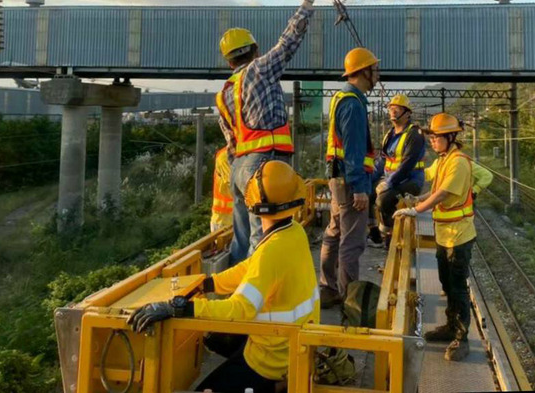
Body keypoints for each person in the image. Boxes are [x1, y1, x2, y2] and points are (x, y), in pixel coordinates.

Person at [128, 161, 319, 393]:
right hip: (294, 344)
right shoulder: (293, 232)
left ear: (256, 203)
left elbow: (240, 309)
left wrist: (179, 308)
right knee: (213, 338)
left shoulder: (272, 251)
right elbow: (250, 267)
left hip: (272, 359)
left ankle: (274, 385)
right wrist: (210, 284)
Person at [216, 0, 322, 265]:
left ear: (229, 60)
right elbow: (289, 41)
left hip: (239, 169)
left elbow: (231, 142)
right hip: (265, 165)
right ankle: (254, 289)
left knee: (241, 239)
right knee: (262, 237)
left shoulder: (224, 93)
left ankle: (235, 283)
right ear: (255, 50)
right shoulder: (260, 70)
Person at [393, 113, 475, 362]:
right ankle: (450, 327)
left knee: (458, 288)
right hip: (445, 234)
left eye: (436, 137)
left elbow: (442, 194)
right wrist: (417, 198)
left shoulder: (458, 162)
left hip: (459, 236)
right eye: (431, 137)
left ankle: (461, 338)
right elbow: (434, 190)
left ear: (450, 137)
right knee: (446, 283)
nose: (432, 141)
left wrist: (416, 210)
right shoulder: (444, 160)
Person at [319, 47, 380, 309]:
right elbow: (354, 151)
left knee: (334, 232)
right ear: (364, 72)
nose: (378, 74)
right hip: (350, 181)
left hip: (338, 178)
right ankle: (349, 301)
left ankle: (328, 288)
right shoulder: (353, 104)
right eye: (375, 69)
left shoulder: (341, 98)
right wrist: (359, 189)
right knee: (352, 242)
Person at [373, 94, 426, 248]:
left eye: (397, 108)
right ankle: (375, 231)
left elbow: (407, 165)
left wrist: (387, 184)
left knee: (384, 199)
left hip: (411, 180)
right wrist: (370, 178)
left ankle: (390, 234)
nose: (393, 111)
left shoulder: (414, 134)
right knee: (367, 191)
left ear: (407, 113)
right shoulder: (389, 134)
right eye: (391, 108)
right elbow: (383, 160)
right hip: (393, 178)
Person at [210, 146, 233, 233]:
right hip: (223, 221)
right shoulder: (224, 156)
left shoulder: (241, 154)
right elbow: (233, 184)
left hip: (233, 219)